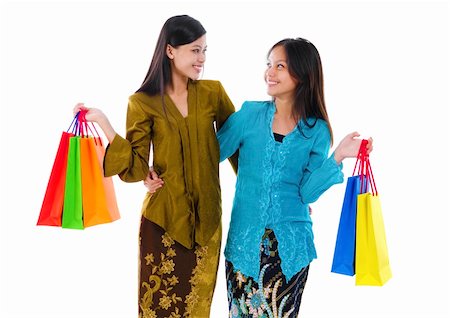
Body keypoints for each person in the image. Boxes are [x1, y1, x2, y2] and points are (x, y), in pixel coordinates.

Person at [74, 15, 237, 318]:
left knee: (197, 310)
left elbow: (238, 151)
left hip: (208, 223)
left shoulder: (213, 93)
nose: (201, 58)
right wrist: (105, 125)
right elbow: (135, 169)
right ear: (171, 51)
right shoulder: (143, 102)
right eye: (194, 50)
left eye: (204, 50)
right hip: (163, 222)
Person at [215, 38, 373, 317]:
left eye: (280, 66)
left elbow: (308, 193)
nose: (269, 73)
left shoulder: (317, 130)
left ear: (301, 75)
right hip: (244, 245)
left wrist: (338, 156)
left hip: (291, 249)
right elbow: (211, 153)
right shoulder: (250, 114)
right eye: (268, 64)